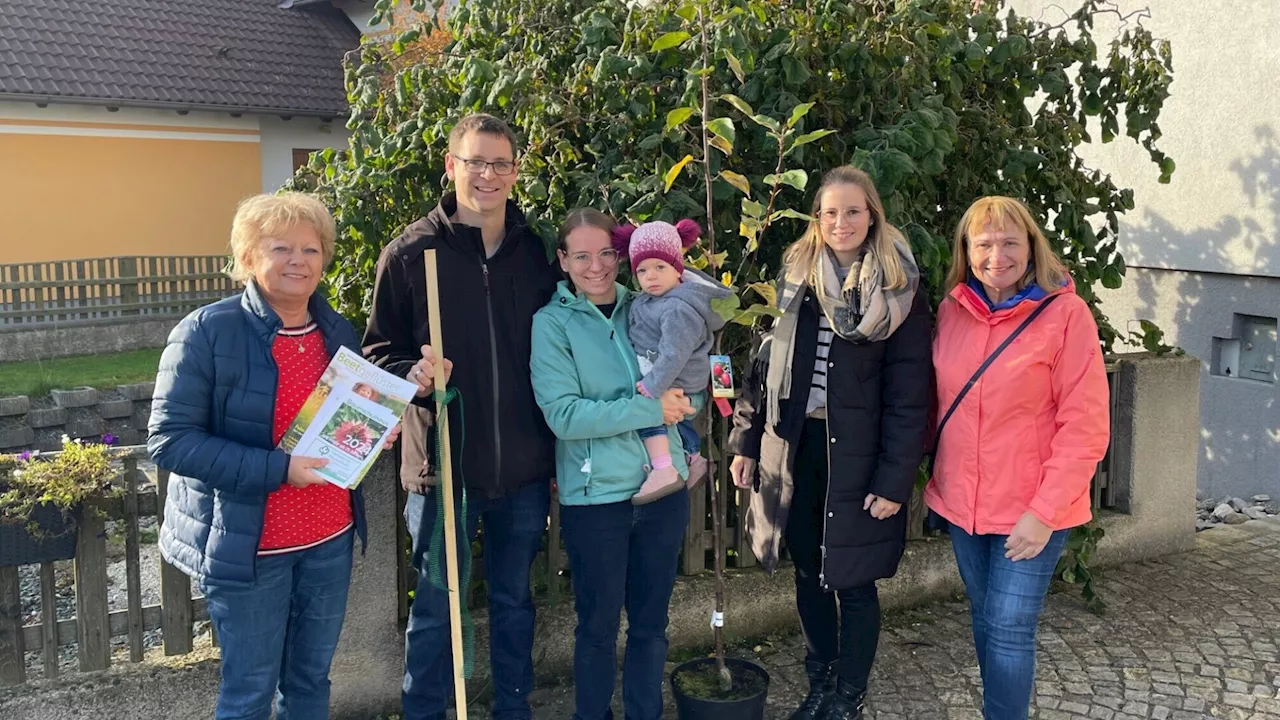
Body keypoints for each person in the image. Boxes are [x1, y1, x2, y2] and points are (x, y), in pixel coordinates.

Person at [149, 192, 396, 720]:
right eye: (280, 248)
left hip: (328, 539)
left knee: (310, 683)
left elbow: (338, 422)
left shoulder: (335, 331)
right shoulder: (206, 332)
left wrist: (370, 434)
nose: (298, 261)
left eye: (310, 249)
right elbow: (170, 440)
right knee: (249, 693)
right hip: (251, 548)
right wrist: (279, 469)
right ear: (247, 257)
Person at [362, 113, 559, 720]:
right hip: (441, 470)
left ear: (516, 171)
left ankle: (513, 710)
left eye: (501, 163)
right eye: (475, 161)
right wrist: (412, 377)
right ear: (452, 166)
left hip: (523, 468)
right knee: (434, 608)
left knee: (513, 601)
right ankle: (425, 712)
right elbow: (377, 354)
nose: (488, 175)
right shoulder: (409, 253)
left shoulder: (537, 253)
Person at [727, 166, 932, 720]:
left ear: (872, 215)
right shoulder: (797, 280)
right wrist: (746, 441)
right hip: (794, 449)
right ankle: (819, 680)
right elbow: (760, 367)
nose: (841, 222)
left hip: (859, 458)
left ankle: (848, 695)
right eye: (830, 212)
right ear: (817, 219)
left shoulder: (899, 288)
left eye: (853, 211)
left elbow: (911, 397)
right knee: (807, 571)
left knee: (854, 581)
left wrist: (894, 481)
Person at [925, 196, 1110, 720]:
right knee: (986, 619)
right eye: (983, 243)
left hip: (1033, 510)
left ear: (1032, 247)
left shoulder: (1066, 315)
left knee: (1009, 627)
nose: (996, 254)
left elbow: (1086, 425)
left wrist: (1043, 513)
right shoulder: (952, 311)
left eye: (1009, 241)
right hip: (964, 504)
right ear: (967, 250)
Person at [530, 208, 695, 720]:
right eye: (581, 255)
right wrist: (651, 408)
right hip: (596, 499)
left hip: (664, 492)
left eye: (605, 253)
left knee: (650, 625)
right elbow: (564, 415)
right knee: (597, 628)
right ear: (563, 260)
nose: (596, 266)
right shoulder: (551, 323)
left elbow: (689, 357)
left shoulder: (648, 303)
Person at [610, 218, 732, 502]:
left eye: (659, 267)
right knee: (677, 421)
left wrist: (653, 385)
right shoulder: (653, 299)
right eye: (642, 270)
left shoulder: (678, 307)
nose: (650, 276)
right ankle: (693, 457)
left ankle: (663, 468)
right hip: (668, 375)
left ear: (678, 269)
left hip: (672, 378)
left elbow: (674, 353)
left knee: (650, 412)